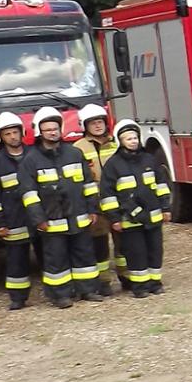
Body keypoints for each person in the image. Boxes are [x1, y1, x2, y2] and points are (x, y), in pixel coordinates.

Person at [21, 107, 107, 306]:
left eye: (55, 128)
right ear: (39, 133)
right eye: (47, 129)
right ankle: (60, 295)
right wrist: (39, 219)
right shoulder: (31, 161)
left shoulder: (74, 153)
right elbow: (29, 194)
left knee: (84, 255)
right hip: (52, 222)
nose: (52, 132)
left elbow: (89, 184)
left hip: (79, 217)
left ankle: (88, 290)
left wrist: (93, 209)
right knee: (56, 260)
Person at [99, 120, 170, 295]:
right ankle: (139, 287)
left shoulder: (149, 159)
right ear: (120, 141)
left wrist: (166, 208)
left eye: (135, 137)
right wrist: (114, 218)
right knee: (136, 253)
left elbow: (161, 185)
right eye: (128, 138)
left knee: (155, 251)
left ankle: (155, 283)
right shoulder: (113, 165)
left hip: (153, 217)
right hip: (129, 220)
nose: (133, 141)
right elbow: (107, 194)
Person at [0, 113, 36, 308]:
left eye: (15, 132)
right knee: (16, 261)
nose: (12, 137)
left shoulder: (35, 155)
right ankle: (18, 298)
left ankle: (59, 293)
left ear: (22, 133)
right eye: (7, 133)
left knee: (51, 257)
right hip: (14, 222)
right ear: (0, 137)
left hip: (40, 219)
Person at [72, 104, 121, 289]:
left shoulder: (116, 143)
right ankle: (103, 282)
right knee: (99, 243)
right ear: (84, 125)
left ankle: (128, 277)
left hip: (118, 201)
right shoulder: (77, 148)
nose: (98, 126)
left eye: (100, 122)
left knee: (123, 243)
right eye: (93, 123)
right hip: (94, 203)